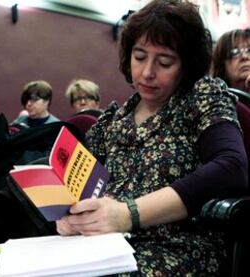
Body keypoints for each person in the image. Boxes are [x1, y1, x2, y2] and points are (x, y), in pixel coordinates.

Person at [55, 0, 248, 275]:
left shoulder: (202, 98)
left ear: (186, 65)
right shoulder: (113, 121)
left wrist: (127, 214)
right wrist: (68, 216)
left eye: (165, 61)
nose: (147, 72)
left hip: (174, 247)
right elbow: (77, 185)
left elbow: (232, 168)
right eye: (140, 56)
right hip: (104, 244)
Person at [212, 28, 250, 93]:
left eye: (249, 50)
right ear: (222, 65)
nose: (244, 56)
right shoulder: (214, 100)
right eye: (234, 52)